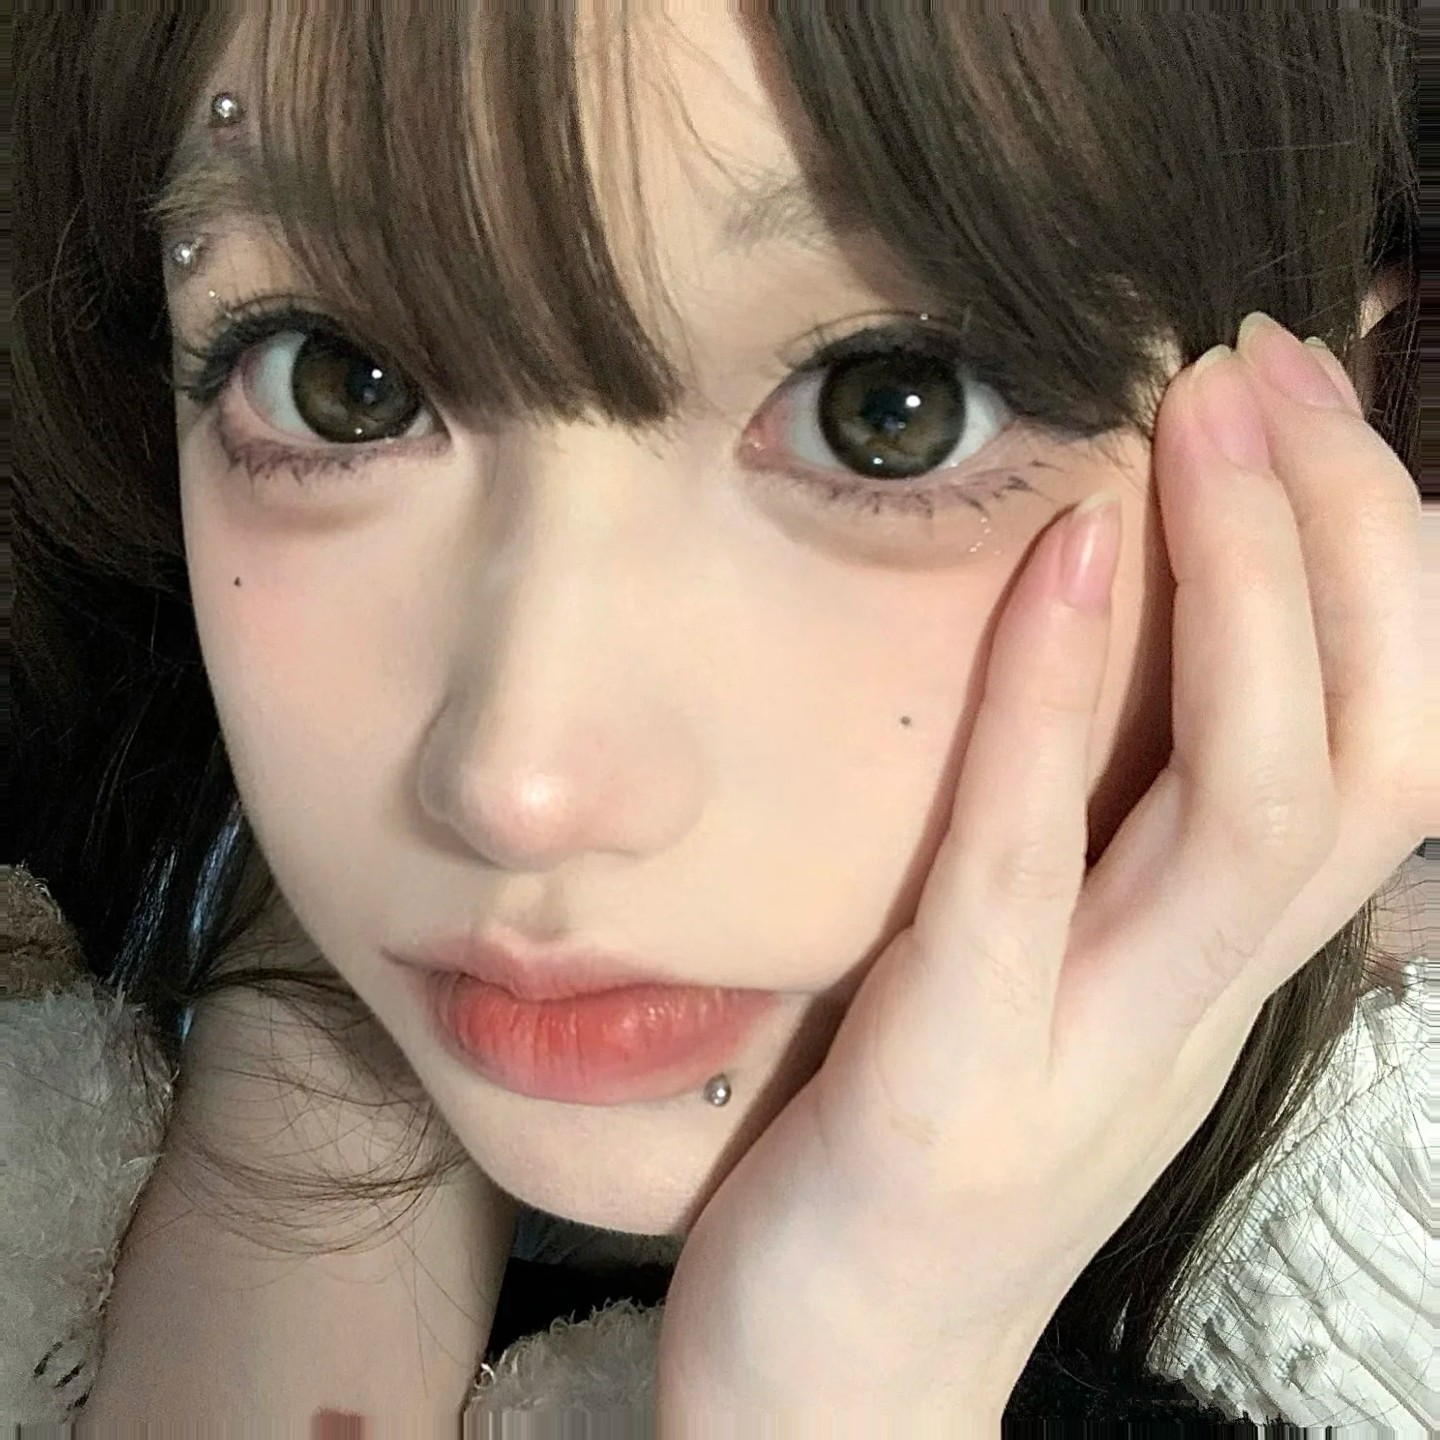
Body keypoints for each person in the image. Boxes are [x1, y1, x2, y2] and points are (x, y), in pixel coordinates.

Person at [13, 3, 1424, 1431]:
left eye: (892, 408)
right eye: (339, 387)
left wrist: (850, 1378)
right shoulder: (151, 883)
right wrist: (306, 1097)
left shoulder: (1380, 1281)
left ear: (1323, 436)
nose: (518, 787)